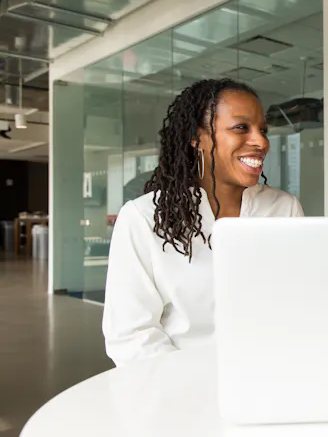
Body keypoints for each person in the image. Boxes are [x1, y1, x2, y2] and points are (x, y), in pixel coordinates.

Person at [103, 78, 304, 366]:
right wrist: (195, 384)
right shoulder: (144, 217)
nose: (261, 142)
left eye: (263, 130)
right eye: (240, 128)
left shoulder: (284, 208)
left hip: (269, 377)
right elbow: (131, 335)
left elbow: (298, 305)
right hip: (178, 389)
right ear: (197, 137)